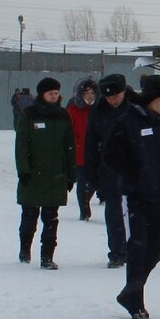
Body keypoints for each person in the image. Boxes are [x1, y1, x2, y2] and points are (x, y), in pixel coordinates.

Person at [102, 76, 160, 319]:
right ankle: (137, 306)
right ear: (151, 98)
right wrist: (136, 175)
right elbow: (111, 156)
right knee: (138, 249)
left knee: (155, 250)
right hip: (135, 196)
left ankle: (129, 292)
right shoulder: (128, 120)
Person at [15, 77, 76, 269]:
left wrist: (70, 174)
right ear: (42, 94)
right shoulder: (29, 114)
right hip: (32, 176)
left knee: (51, 220)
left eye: (56, 93)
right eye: (50, 93)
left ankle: (47, 257)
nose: (54, 96)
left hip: (55, 176)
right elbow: (22, 144)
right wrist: (23, 170)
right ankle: (25, 249)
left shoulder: (63, 115)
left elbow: (69, 146)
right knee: (29, 217)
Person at [86, 73, 132, 268]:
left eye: (116, 96)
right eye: (109, 97)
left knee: (134, 214)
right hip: (109, 171)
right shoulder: (99, 111)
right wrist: (92, 174)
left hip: (133, 170)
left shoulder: (136, 108)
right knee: (113, 213)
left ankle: (134, 249)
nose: (113, 100)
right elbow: (91, 144)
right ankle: (116, 251)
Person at [66, 78, 99, 220]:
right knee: (82, 181)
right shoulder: (73, 109)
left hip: (96, 152)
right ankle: (84, 210)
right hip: (80, 152)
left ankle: (86, 201)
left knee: (94, 182)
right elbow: (69, 130)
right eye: (87, 92)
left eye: (93, 92)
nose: (90, 95)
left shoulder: (99, 108)